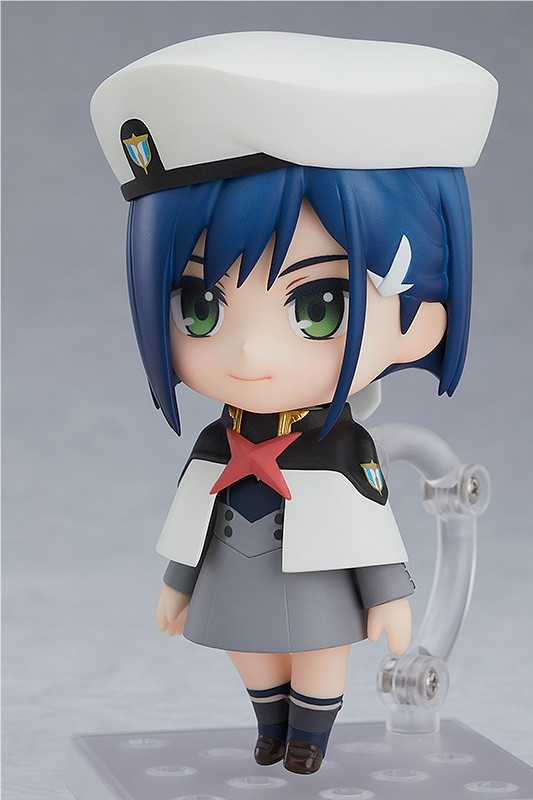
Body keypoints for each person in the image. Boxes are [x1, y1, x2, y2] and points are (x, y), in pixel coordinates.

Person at [91, 31, 497, 774]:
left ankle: (308, 737)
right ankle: (269, 724)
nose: (249, 354)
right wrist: (177, 584)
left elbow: (369, 527)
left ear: (421, 318)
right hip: (234, 577)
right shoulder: (216, 441)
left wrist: (387, 596)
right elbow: (191, 522)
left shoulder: (342, 445)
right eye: (200, 308)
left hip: (320, 586)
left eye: (318, 307)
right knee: (249, 654)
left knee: (319, 655)